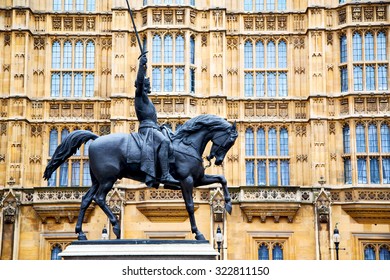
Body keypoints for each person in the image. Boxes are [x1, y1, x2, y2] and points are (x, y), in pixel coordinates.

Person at [134, 53, 180, 187]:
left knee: (171, 140)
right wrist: (142, 66)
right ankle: (165, 175)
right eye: (147, 84)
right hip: (147, 130)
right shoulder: (140, 96)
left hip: (154, 128)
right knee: (164, 142)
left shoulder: (147, 101)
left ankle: (168, 173)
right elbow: (140, 82)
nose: (149, 85)